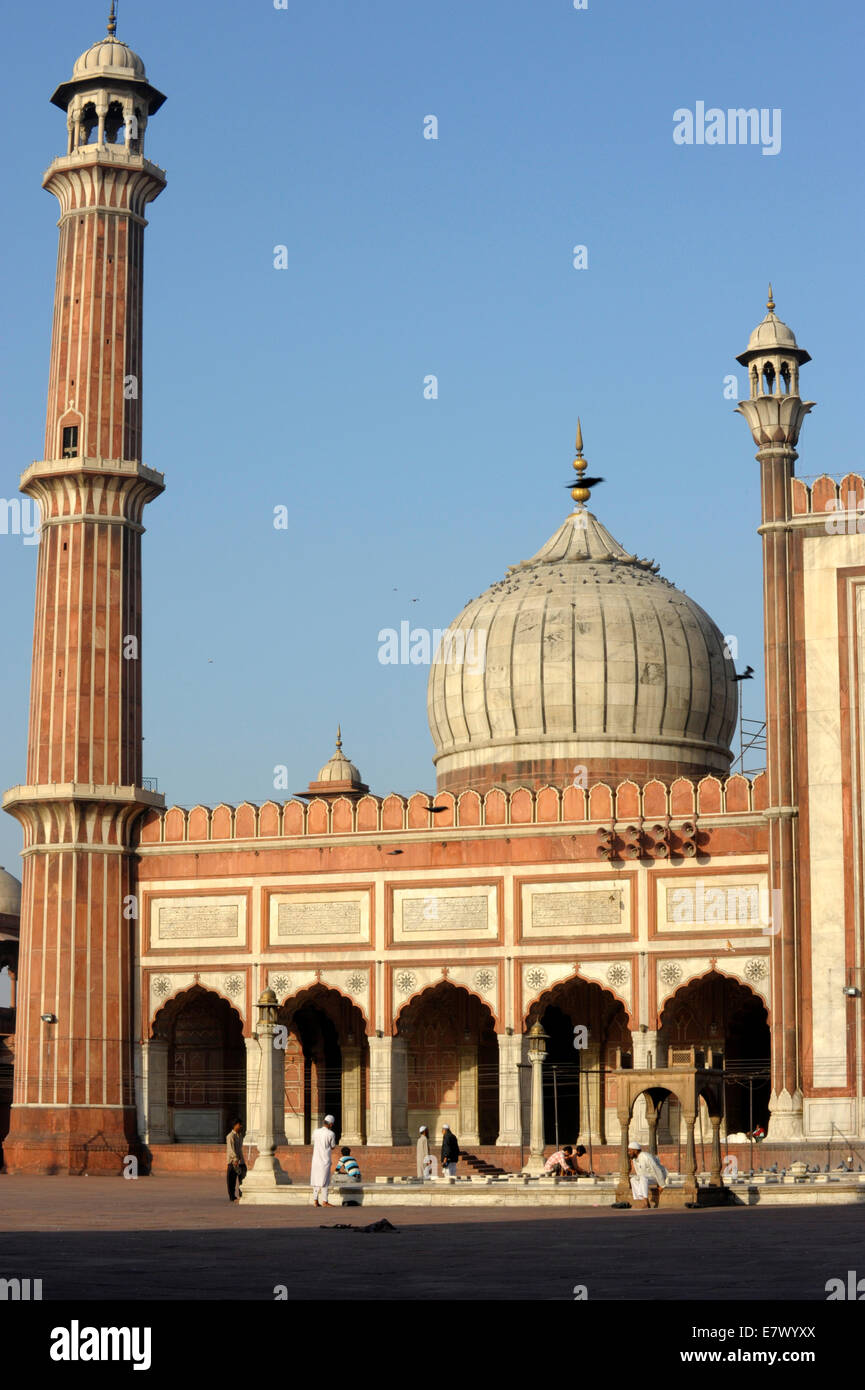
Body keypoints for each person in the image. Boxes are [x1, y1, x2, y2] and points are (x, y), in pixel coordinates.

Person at [628, 1140, 667, 1208]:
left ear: (636, 1150)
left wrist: (661, 1184)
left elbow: (656, 1169)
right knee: (633, 1179)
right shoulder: (635, 1159)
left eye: (630, 1151)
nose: (629, 1153)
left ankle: (645, 1201)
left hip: (657, 1176)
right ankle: (642, 1200)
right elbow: (639, 1174)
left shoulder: (646, 1156)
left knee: (643, 1178)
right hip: (647, 1178)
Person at [310, 1114, 337, 1206]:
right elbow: (333, 1146)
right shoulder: (331, 1134)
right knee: (325, 1180)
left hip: (316, 1159)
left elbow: (313, 1140)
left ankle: (315, 1200)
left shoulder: (316, 1131)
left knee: (316, 1179)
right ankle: (325, 1201)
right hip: (325, 1159)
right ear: (330, 1124)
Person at [226, 1119, 245, 1202]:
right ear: (235, 1125)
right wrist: (235, 1159)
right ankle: (232, 1197)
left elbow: (239, 1149)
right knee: (231, 1181)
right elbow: (231, 1149)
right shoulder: (230, 1136)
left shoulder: (240, 1135)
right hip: (233, 1162)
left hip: (241, 1162)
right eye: (239, 1124)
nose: (241, 1126)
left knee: (243, 1179)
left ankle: (242, 1195)